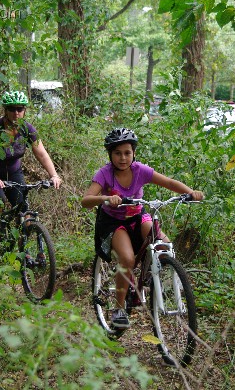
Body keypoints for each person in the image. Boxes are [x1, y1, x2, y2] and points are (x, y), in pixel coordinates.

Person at [81, 128, 204, 329]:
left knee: (164, 244)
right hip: (113, 222)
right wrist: (105, 198)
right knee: (127, 258)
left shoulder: (140, 170)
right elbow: (85, 200)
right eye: (117, 153)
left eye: (127, 153)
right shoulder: (105, 174)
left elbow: (170, 183)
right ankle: (119, 309)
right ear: (110, 155)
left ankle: (149, 276)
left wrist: (191, 192)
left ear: (134, 153)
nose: (123, 158)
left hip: (137, 216)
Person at [0, 90, 62, 235]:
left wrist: (54, 175)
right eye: (12, 109)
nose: (16, 113)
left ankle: (24, 251)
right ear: (5, 110)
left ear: (24, 110)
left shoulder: (27, 128)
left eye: (20, 109)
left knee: (24, 210)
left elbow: (41, 153)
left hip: (13, 172)